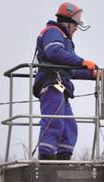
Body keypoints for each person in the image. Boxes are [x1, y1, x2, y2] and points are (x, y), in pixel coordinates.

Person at [33, 2, 98, 160]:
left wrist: (93, 74)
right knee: (54, 122)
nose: (76, 29)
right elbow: (54, 52)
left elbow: (69, 70)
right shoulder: (53, 32)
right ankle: (46, 158)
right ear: (68, 23)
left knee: (69, 127)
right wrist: (81, 61)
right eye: (75, 25)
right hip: (51, 84)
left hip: (61, 87)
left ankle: (63, 158)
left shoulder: (65, 40)